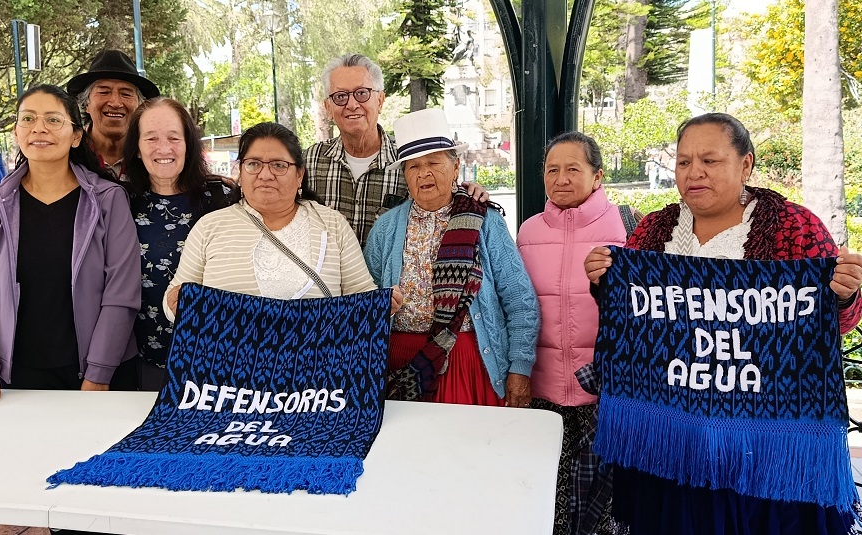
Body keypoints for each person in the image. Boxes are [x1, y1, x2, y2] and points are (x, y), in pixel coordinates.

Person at [584, 112, 862, 535]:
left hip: (764, 443)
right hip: (672, 439)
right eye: (683, 162)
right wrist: (604, 281)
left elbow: (829, 324)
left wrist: (845, 294)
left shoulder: (794, 226)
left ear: (745, 164)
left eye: (710, 161)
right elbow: (633, 318)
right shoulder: (654, 230)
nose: (694, 172)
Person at [0, 84, 141, 411]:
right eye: (28, 119)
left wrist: (99, 374)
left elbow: (121, 291)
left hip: (98, 373)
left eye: (53, 120)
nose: (39, 128)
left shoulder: (107, 200)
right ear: (17, 132)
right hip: (14, 376)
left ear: (76, 135)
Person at [364, 108, 538, 407]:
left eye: (434, 162)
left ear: (455, 167)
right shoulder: (386, 228)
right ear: (405, 175)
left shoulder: (485, 221)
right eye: (413, 166)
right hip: (401, 369)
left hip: (466, 362)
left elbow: (520, 301)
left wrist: (519, 370)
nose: (424, 173)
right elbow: (362, 301)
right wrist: (379, 304)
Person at [517, 131, 637, 535]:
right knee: (547, 495)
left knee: (605, 502)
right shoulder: (528, 231)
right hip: (542, 389)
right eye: (553, 170)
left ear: (598, 175)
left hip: (606, 390)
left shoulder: (629, 227)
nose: (561, 178)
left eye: (573, 169)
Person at [163, 122, 398, 321]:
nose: (265, 175)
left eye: (279, 165)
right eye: (254, 164)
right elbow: (173, 298)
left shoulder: (332, 225)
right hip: (227, 371)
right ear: (240, 172)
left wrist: (384, 305)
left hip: (316, 370)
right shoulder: (210, 227)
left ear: (299, 175)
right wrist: (175, 303)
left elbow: (362, 295)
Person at [305, 53, 487, 245]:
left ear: (380, 100)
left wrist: (469, 193)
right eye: (340, 96)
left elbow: (442, 197)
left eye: (362, 93)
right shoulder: (309, 162)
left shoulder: (409, 160)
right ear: (328, 107)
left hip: (389, 274)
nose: (351, 104)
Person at [122, 97, 238, 391]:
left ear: (189, 144)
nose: (164, 148)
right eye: (151, 138)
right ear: (136, 148)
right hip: (150, 359)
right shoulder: (121, 201)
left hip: (220, 358)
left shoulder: (222, 196)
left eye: (174, 138)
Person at [66, 49, 160, 178]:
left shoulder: (155, 156)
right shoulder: (67, 156)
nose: (116, 103)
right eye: (104, 92)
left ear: (139, 106)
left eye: (126, 94)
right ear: (86, 104)